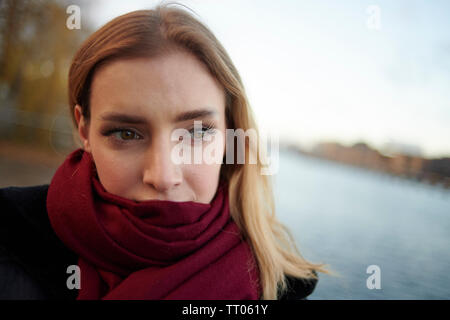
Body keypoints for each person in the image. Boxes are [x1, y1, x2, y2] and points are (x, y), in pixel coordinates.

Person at [0, 4, 328, 300]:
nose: (163, 176)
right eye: (126, 133)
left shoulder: (280, 283)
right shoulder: (11, 235)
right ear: (84, 130)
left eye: (197, 132)